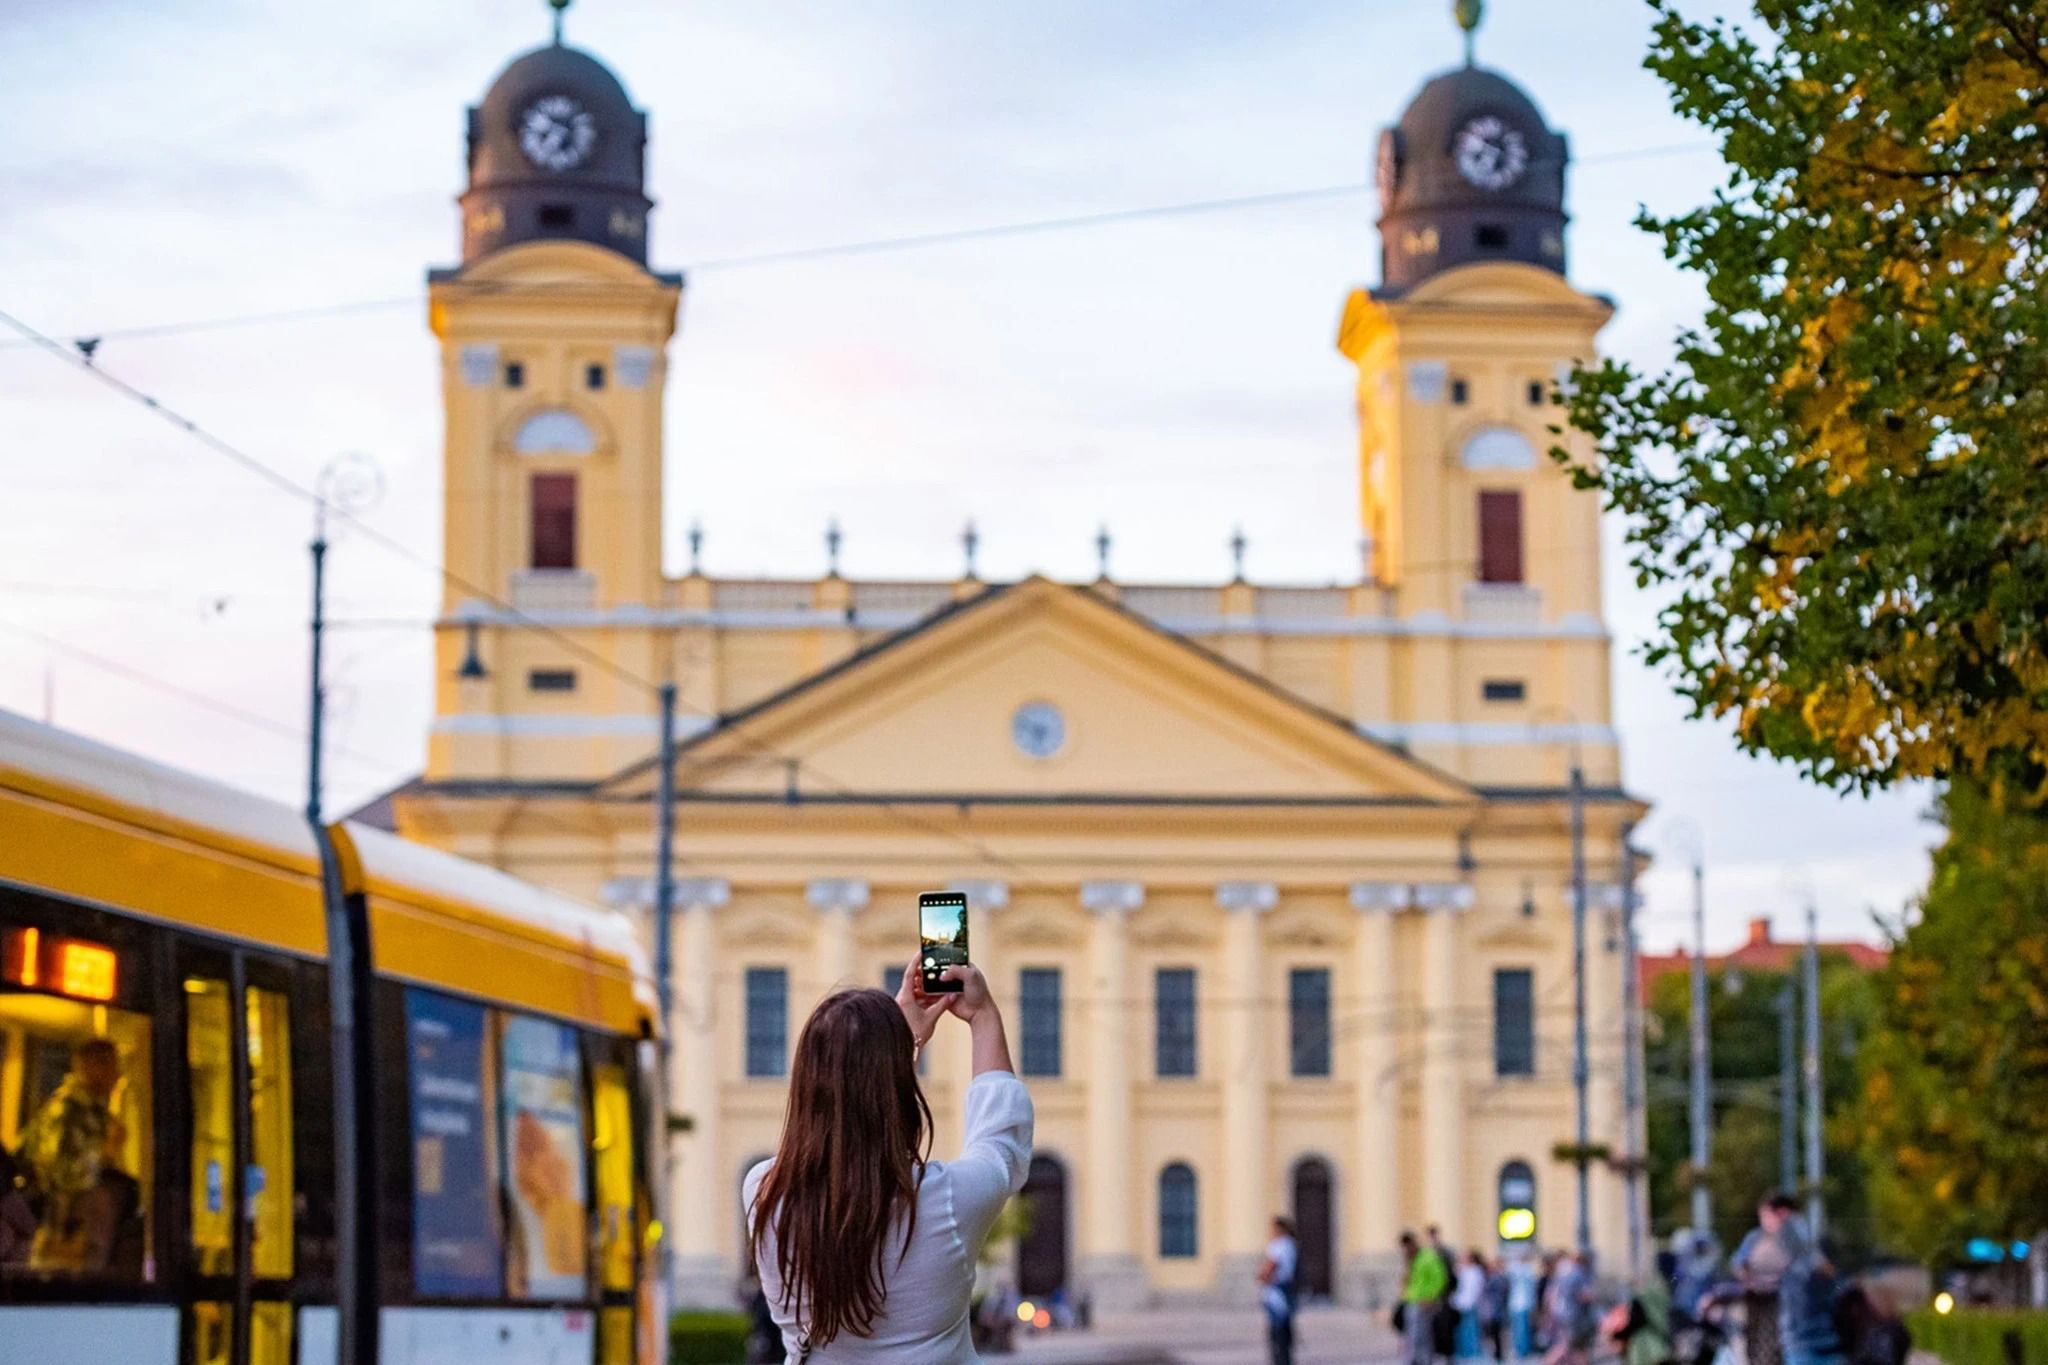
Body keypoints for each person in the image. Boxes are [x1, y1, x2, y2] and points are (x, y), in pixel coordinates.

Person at [744, 959, 1031, 1361]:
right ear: (899, 1091)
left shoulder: (764, 1192)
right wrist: (982, 1017)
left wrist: (890, 1047)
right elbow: (1001, 1142)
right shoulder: (946, 1201)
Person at [19, 1038, 126, 1273]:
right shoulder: (67, 1112)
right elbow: (61, 1176)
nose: (117, 1076)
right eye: (109, 1065)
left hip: (84, 1236)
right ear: (88, 1067)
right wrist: (105, 1152)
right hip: (64, 1237)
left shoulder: (96, 1113)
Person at [1733, 1195, 1808, 1365]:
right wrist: (1749, 1278)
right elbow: (1739, 1264)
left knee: (1780, 1345)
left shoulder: (1795, 1237)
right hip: (1758, 1300)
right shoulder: (1755, 1237)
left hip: (1786, 1301)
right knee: (1757, 1345)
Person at [1401, 1230, 1452, 1365]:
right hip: (1413, 1300)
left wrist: (1431, 1297)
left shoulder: (1428, 1257)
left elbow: (1440, 1278)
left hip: (1425, 1302)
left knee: (1422, 1336)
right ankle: (1414, 1359)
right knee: (1413, 1334)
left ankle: (1423, 1360)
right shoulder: (1413, 1259)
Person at [1258, 1215, 1301, 1365]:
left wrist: (1262, 1276)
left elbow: (1271, 1266)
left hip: (1277, 1292)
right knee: (1284, 1334)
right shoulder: (1290, 1244)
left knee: (1277, 1335)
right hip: (1285, 1290)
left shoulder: (1279, 1245)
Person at [1452, 1250, 1487, 1359]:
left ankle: (1472, 1353)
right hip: (1461, 1304)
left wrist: (1470, 1302)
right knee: (1462, 1331)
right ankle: (1465, 1353)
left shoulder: (1474, 1272)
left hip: (1469, 1305)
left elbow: (1474, 1290)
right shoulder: (1464, 1271)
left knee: (1471, 1330)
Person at [1507, 1253, 1539, 1359]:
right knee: (1520, 1329)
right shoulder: (1526, 1271)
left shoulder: (1525, 1271)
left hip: (1522, 1304)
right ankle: (1522, 1350)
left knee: (1522, 1330)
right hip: (1520, 1304)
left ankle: (1522, 1351)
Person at [1481, 1256, 1510, 1362]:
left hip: (1495, 1309)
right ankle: (1498, 1353)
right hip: (1498, 1308)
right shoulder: (1502, 1278)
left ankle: (1498, 1354)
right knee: (1498, 1333)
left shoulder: (1496, 1278)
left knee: (1497, 1333)